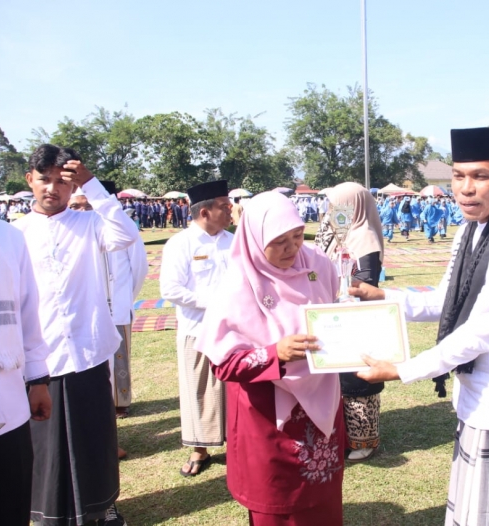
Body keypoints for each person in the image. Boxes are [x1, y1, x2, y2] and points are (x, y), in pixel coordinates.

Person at [352, 127, 489, 525]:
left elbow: (482, 330)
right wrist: (383, 297)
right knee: (476, 513)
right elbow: (446, 300)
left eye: (480, 176)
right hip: (478, 396)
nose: (466, 188)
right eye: (459, 176)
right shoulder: (471, 231)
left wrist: (402, 370)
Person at [196, 191, 344, 525]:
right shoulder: (237, 285)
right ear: (255, 237)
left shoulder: (317, 264)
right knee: (276, 503)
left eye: (297, 236)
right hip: (266, 415)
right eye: (279, 242)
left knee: (323, 501)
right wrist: (274, 353)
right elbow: (223, 363)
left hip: (322, 403)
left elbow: (334, 311)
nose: (292, 249)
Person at [16, 145, 139, 526]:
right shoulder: (13, 234)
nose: (52, 189)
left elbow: (126, 234)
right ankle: (49, 515)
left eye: (61, 181)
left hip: (87, 350)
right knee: (45, 446)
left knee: (94, 440)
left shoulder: (91, 225)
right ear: (29, 181)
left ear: (73, 188)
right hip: (40, 357)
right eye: (44, 180)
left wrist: (92, 184)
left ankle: (102, 510)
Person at [160, 180, 233, 477]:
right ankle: (198, 449)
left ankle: (237, 445)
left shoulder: (234, 241)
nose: (230, 211)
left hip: (234, 330)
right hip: (197, 328)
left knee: (235, 389)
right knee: (198, 390)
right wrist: (211, 303)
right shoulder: (181, 244)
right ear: (204, 212)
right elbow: (170, 289)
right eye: (224, 206)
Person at [316, 182, 385, 462]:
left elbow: (365, 282)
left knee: (359, 380)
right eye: (332, 206)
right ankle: (343, 435)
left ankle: (363, 441)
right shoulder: (338, 234)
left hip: (358, 317)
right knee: (339, 378)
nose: (333, 211)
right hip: (335, 316)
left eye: (339, 205)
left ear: (354, 205)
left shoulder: (364, 237)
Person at [69, 183, 148, 422]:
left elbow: (139, 269)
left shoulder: (119, 231)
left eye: (88, 206)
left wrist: (123, 298)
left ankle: (120, 402)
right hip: (84, 311)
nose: (83, 212)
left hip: (117, 306)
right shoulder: (72, 235)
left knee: (118, 357)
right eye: (75, 207)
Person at [0, 218, 51, 526]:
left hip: (5, 399)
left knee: (9, 504)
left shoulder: (7, 237)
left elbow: (28, 312)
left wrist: (38, 379)